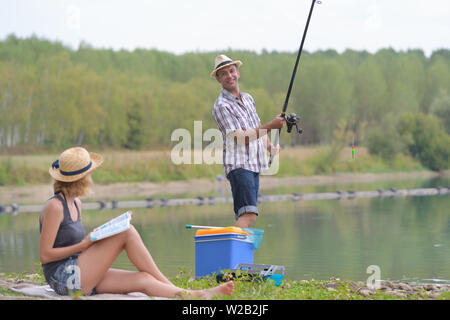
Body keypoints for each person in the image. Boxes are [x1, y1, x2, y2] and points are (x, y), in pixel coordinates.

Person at [39, 146, 234, 298]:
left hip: (79, 269)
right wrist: (85, 244)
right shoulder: (55, 207)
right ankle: (175, 287)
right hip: (63, 278)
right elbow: (46, 256)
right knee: (127, 232)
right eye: (89, 173)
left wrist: (98, 236)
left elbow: (73, 245)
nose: (91, 177)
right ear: (80, 179)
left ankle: (194, 296)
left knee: (143, 279)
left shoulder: (76, 203)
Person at [211, 55, 285, 228]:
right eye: (223, 74)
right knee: (248, 214)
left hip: (254, 164)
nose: (229, 76)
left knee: (247, 214)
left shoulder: (248, 98)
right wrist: (272, 126)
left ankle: (236, 253)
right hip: (239, 166)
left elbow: (257, 126)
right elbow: (240, 137)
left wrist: (269, 147)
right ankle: (227, 252)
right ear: (218, 79)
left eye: (231, 71)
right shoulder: (221, 106)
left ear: (237, 72)